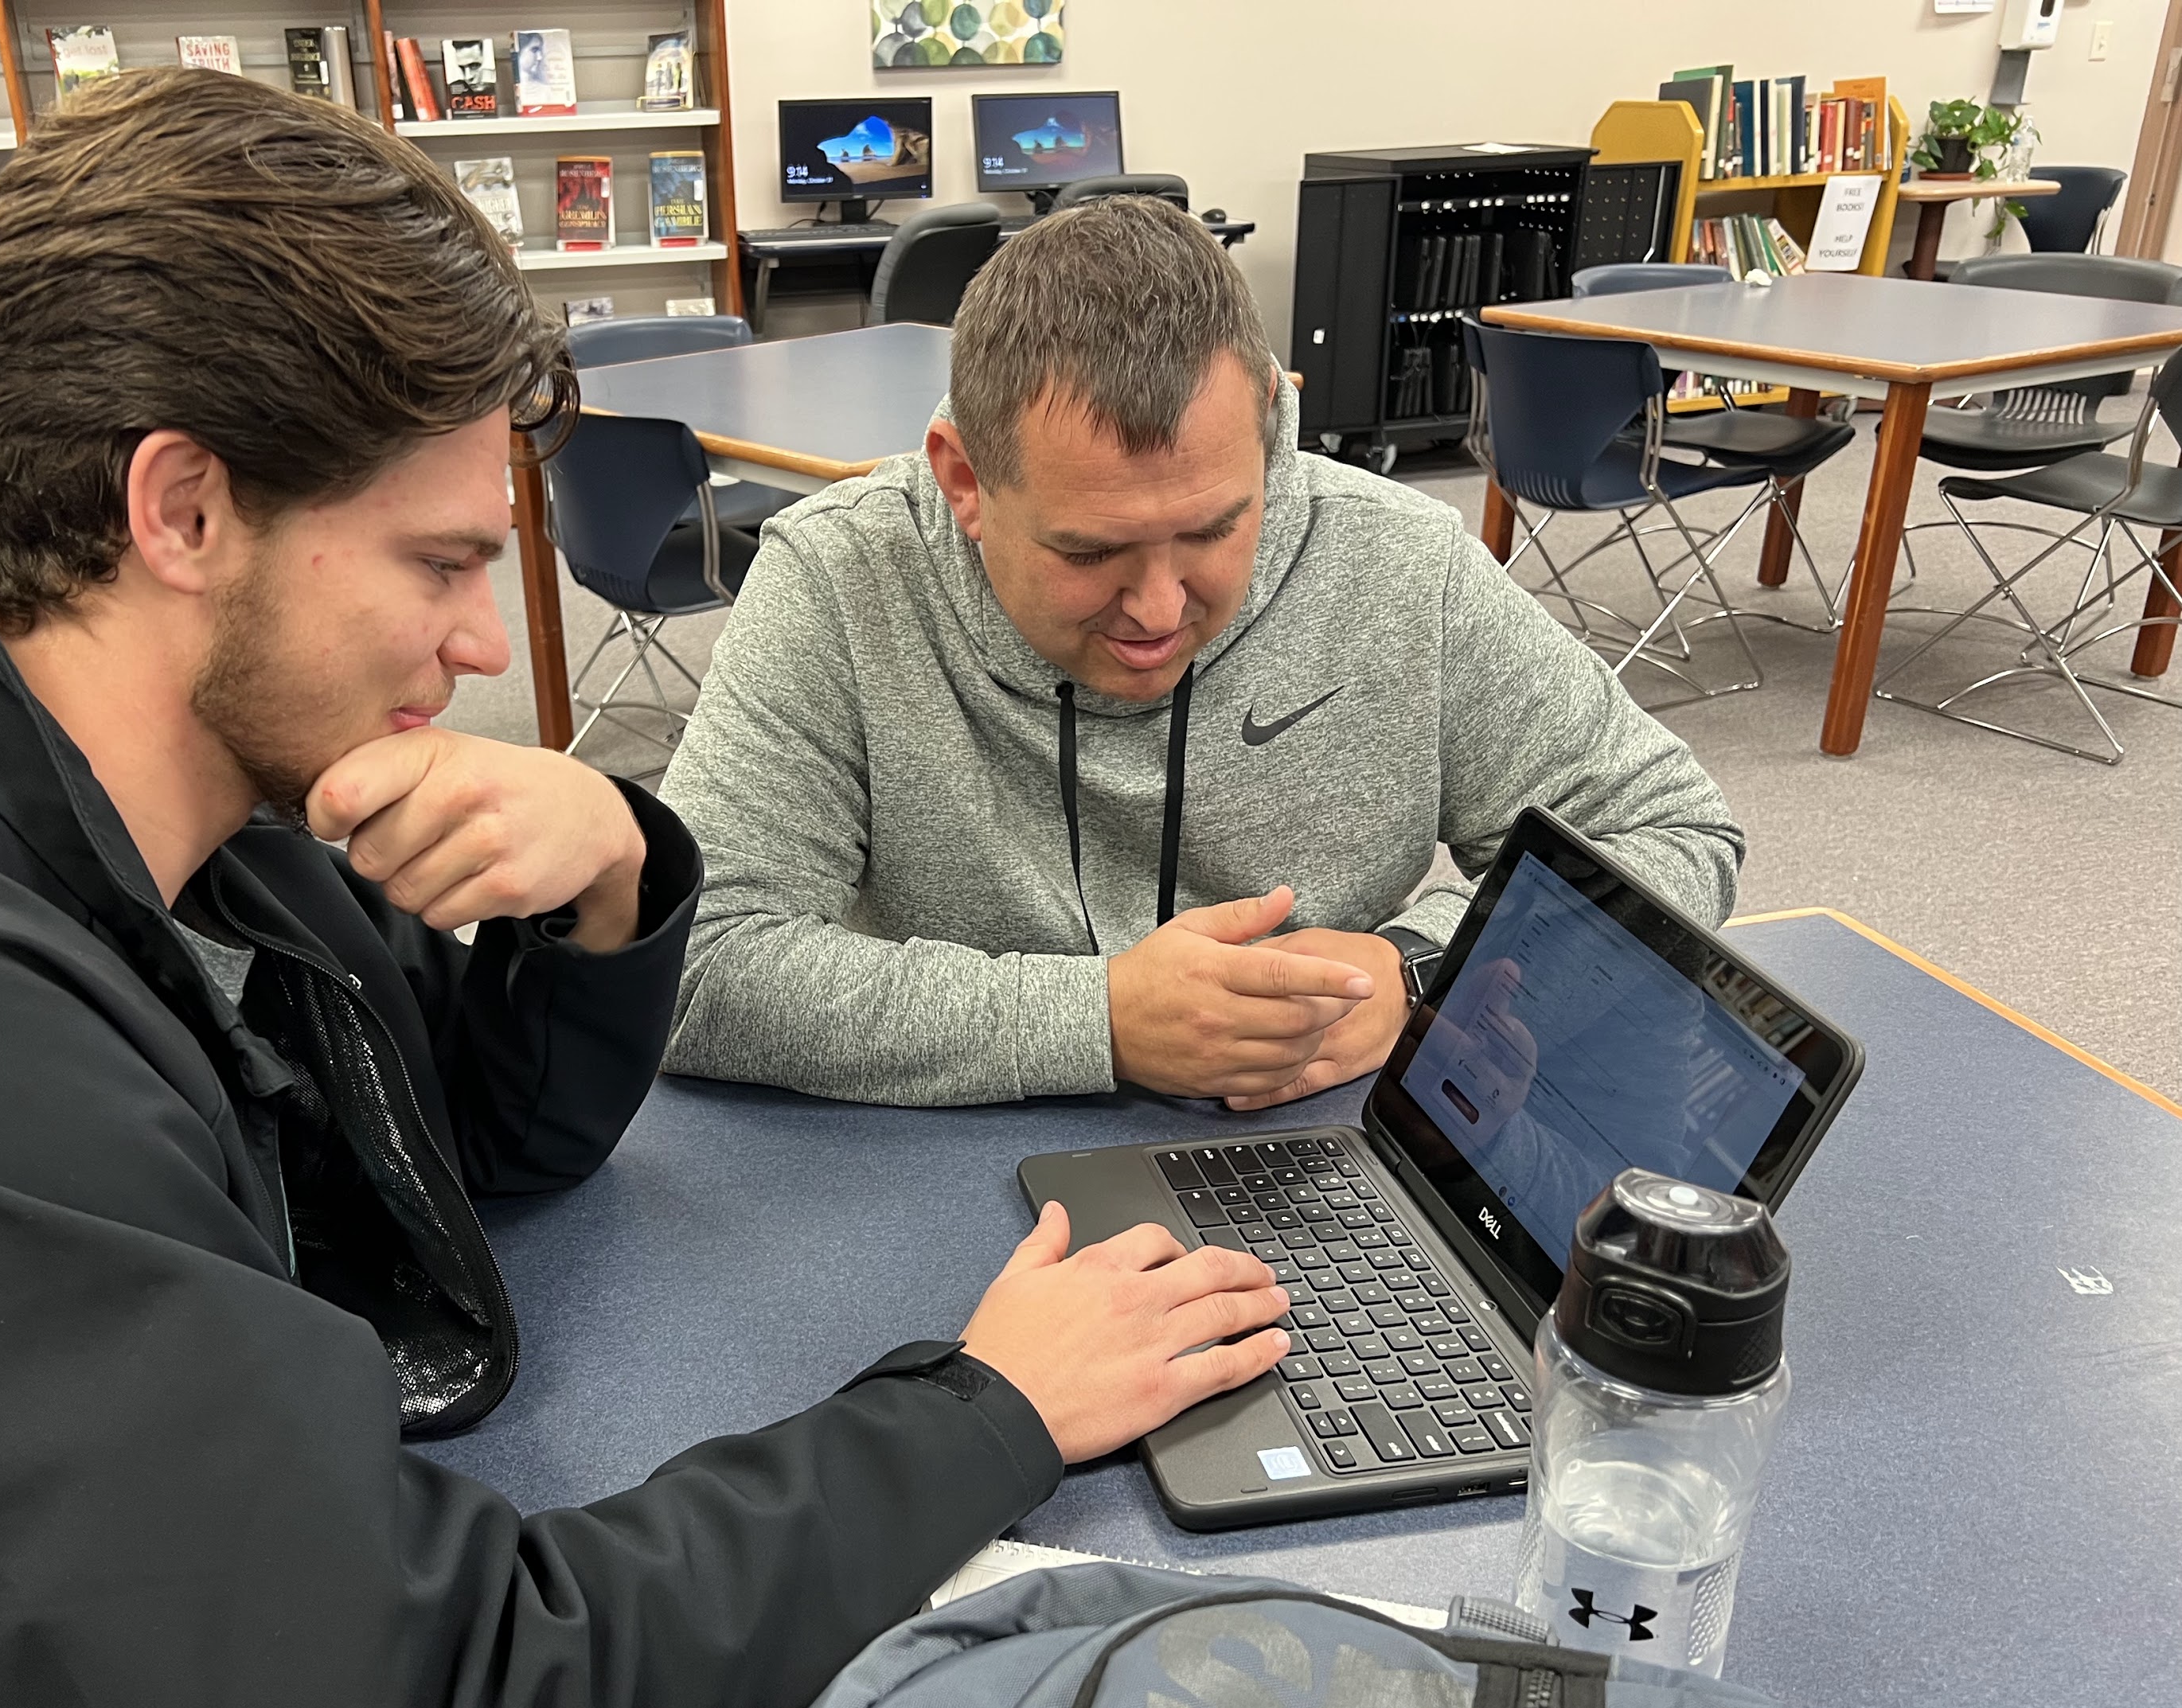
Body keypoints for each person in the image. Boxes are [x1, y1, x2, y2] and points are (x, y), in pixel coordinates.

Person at [0, 76, 1296, 1708]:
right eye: (443, 563)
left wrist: (614, 874)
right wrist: (981, 1415)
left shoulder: (183, 827)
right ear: (184, 507)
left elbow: (455, 1155)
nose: (481, 644)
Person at [658, 197, 1745, 1109]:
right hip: (933, 1154)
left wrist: (1417, 970)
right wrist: (1099, 1022)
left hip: (1325, 1158)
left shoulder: (1399, 562)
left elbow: (1671, 831)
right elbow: (696, 964)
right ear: (963, 480)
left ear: (1272, 426)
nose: (1158, 606)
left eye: (1217, 528)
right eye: (1091, 549)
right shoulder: (837, 580)